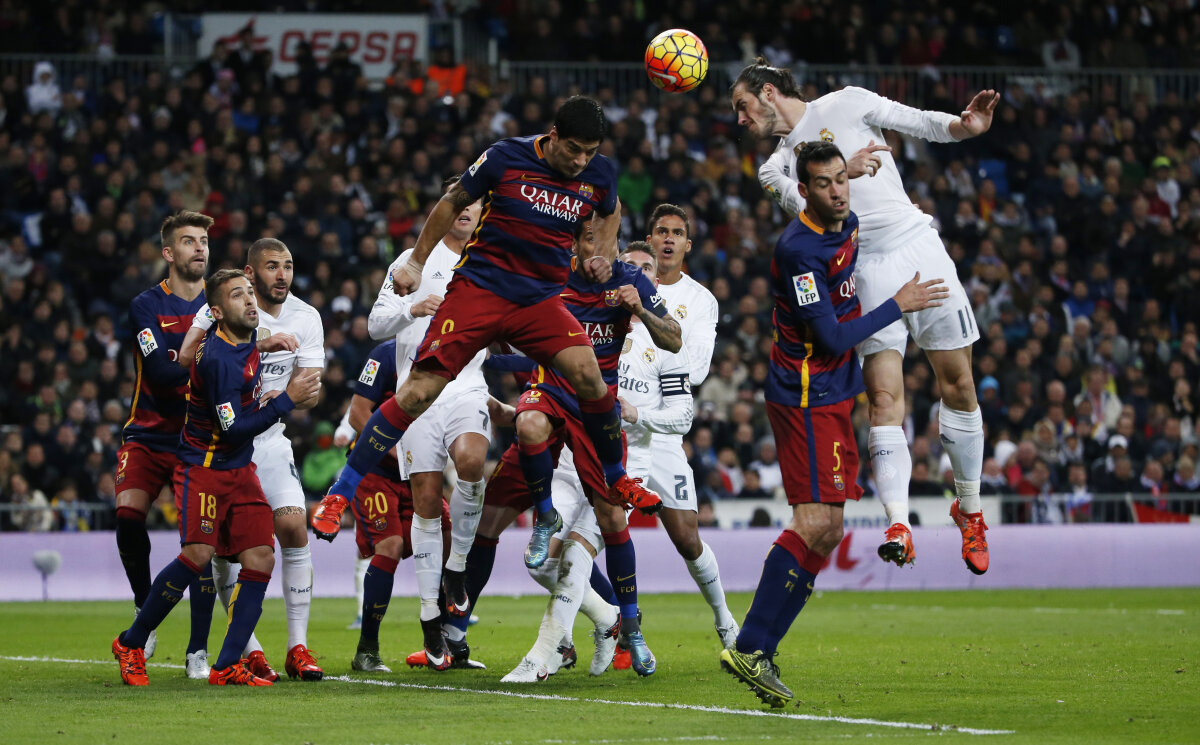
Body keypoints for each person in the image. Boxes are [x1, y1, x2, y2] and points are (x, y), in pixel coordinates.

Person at [312, 96, 662, 588]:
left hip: (539, 300)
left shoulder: (599, 174)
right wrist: (414, 261)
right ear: (553, 135)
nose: (581, 160)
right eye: (575, 149)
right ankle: (339, 493)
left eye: (590, 152)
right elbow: (453, 201)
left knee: (588, 372)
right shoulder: (504, 157)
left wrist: (602, 254)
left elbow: (611, 210)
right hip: (480, 290)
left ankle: (615, 473)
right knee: (415, 392)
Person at [731, 59, 996, 575]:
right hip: (863, 266)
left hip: (916, 243)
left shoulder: (847, 101)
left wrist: (965, 128)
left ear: (767, 92)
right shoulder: (774, 167)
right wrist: (840, 174)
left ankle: (971, 511)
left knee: (959, 384)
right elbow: (804, 204)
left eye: (742, 106)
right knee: (882, 399)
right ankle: (898, 522)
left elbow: (916, 120)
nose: (740, 119)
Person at [719, 142, 946, 708]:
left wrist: (863, 163)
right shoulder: (799, 250)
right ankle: (749, 645)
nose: (838, 191)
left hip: (832, 393)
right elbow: (834, 338)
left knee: (829, 528)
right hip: (804, 394)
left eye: (842, 179)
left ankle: (760, 650)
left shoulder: (847, 222)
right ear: (806, 190)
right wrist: (900, 303)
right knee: (814, 520)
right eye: (824, 183)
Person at [477, 221, 681, 681]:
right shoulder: (551, 276)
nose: (597, 250)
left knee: (611, 521)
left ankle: (628, 627)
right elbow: (514, 332)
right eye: (588, 240)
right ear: (574, 244)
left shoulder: (631, 282)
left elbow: (674, 338)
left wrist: (641, 312)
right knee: (527, 423)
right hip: (552, 392)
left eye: (605, 241)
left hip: (598, 411)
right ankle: (544, 514)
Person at [111, 269, 322, 687]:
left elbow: (245, 357)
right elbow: (233, 429)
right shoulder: (221, 361)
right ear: (218, 311)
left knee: (261, 556)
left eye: (250, 295)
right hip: (204, 469)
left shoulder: (240, 344)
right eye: (238, 296)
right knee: (199, 555)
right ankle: (131, 642)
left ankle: (227, 665)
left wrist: (266, 344)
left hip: (239, 470)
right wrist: (287, 401)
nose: (250, 302)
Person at [180, 238, 326, 682]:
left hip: (270, 441)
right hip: (223, 447)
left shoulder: (308, 317)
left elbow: (310, 392)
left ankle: (297, 646)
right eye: (271, 267)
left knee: (293, 526)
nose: (281, 275)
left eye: (288, 266)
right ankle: (249, 647)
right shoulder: (223, 306)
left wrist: (296, 399)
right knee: (227, 550)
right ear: (249, 271)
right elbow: (189, 356)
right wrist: (261, 346)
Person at [361, 176, 493, 661]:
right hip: (417, 392)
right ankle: (429, 619)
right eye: (457, 201)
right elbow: (375, 325)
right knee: (426, 503)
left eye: (474, 201)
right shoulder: (410, 261)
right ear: (443, 208)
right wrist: (411, 308)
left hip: (466, 387)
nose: (465, 209)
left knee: (473, 461)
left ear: (483, 210)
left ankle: (456, 568)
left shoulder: (489, 260)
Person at [113, 211, 218, 678]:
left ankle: (198, 649)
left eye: (203, 241)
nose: (199, 248)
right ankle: (144, 608)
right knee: (127, 516)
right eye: (188, 241)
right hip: (148, 431)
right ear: (168, 253)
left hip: (197, 439)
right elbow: (159, 372)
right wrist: (207, 364)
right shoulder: (145, 306)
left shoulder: (223, 305)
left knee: (199, 541)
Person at [641, 207, 739, 647]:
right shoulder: (624, 285)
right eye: (661, 231)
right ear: (649, 238)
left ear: (687, 245)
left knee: (687, 537)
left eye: (677, 233)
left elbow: (696, 368)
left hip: (663, 431)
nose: (668, 239)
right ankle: (606, 625)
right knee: (597, 531)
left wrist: (656, 354)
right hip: (618, 430)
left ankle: (724, 619)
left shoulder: (701, 300)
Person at [339, 338, 459, 673]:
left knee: (447, 539)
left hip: (419, 473)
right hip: (377, 471)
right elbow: (358, 415)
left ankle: (443, 642)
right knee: (389, 546)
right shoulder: (383, 355)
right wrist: (402, 456)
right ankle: (367, 650)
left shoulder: (450, 351)